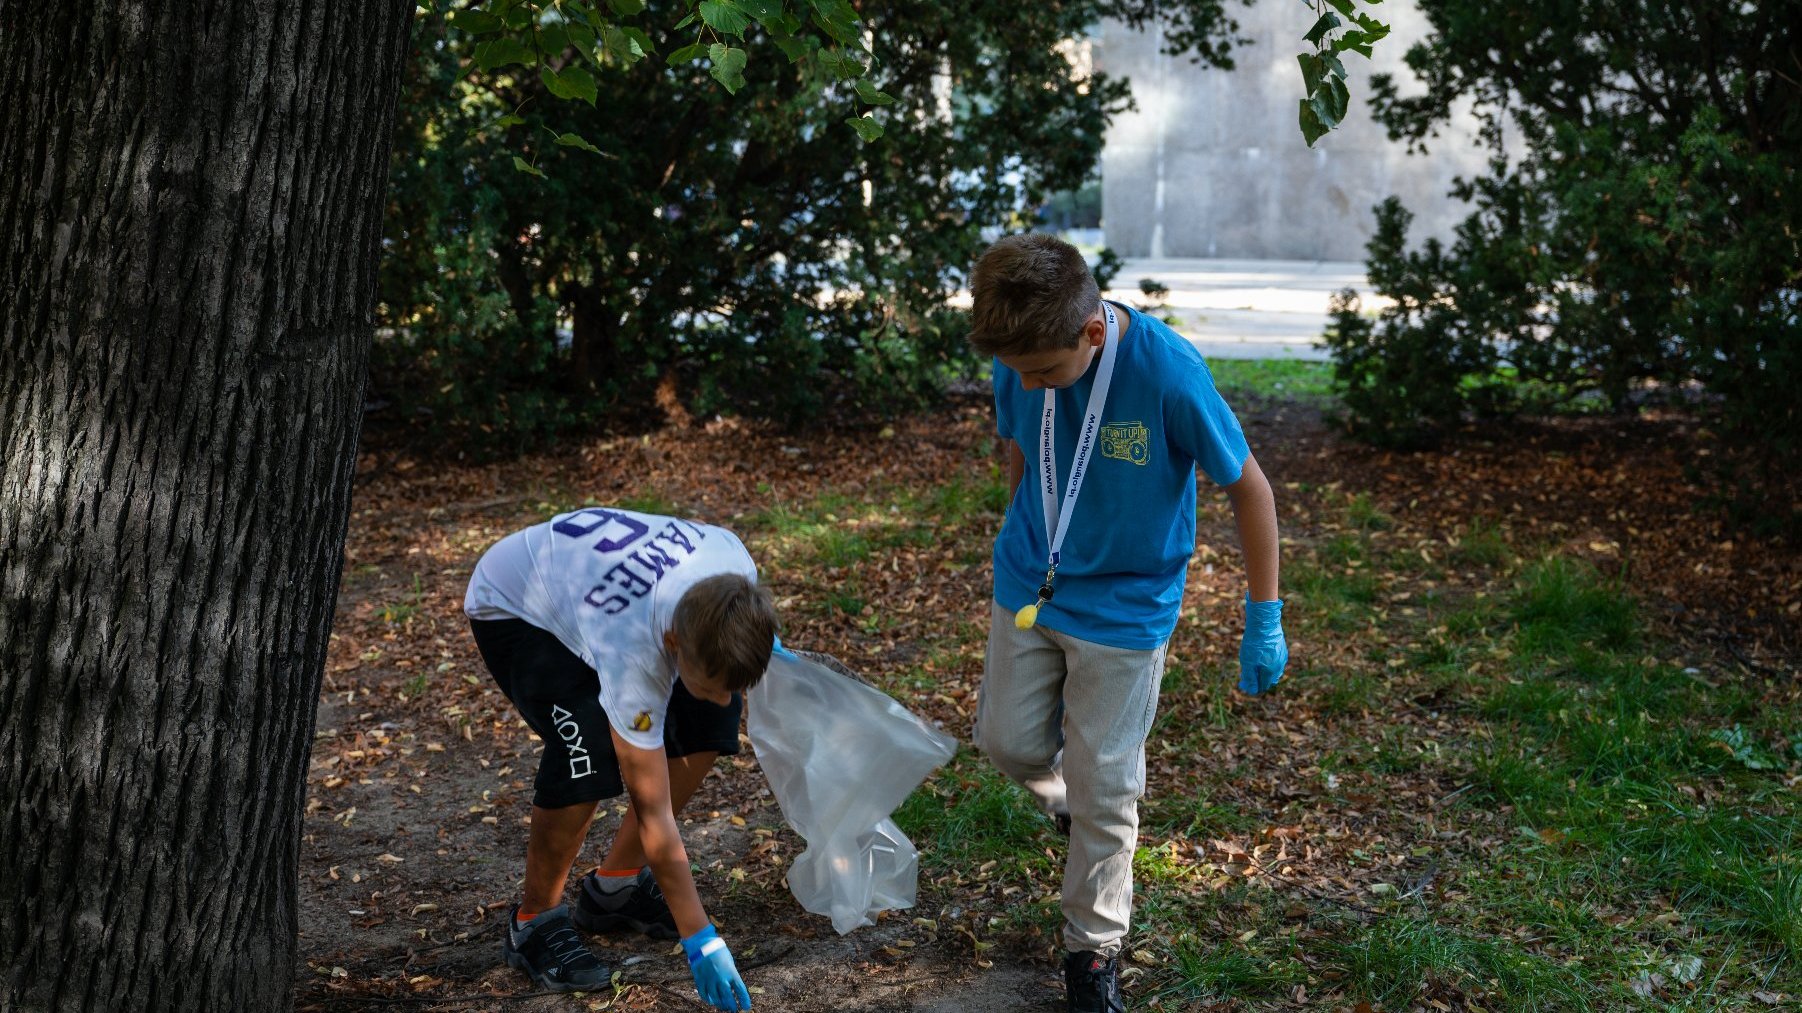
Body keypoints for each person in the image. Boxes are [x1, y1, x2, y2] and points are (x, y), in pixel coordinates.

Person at [966, 234, 1289, 1013]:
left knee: (1108, 788)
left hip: (1125, 607)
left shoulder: (1168, 373)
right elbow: (1021, 452)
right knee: (1004, 741)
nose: (1031, 383)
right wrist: (1018, 529)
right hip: (1031, 586)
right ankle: (1070, 801)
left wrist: (1264, 614)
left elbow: (1251, 489)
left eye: (1045, 370)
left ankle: (1093, 955)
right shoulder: (1022, 358)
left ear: (1093, 331)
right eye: (1019, 372)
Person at [463, 506, 777, 1010]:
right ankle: (533, 922)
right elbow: (654, 810)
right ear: (672, 644)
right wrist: (702, 939)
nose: (726, 698)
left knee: (711, 722)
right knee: (585, 750)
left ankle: (614, 889)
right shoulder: (634, 652)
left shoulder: (734, 566)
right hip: (517, 602)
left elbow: (737, 656)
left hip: (598, 592)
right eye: (709, 683)